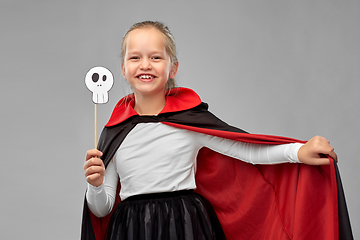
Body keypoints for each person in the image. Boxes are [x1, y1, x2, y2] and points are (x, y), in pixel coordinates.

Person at [81, 21, 344, 240]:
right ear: (123, 70)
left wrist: (298, 152)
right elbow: (102, 209)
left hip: (185, 224)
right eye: (135, 57)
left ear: (173, 68)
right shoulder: (115, 132)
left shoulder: (190, 122)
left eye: (156, 57)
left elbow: (247, 150)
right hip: (132, 229)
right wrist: (95, 186)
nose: (145, 64)